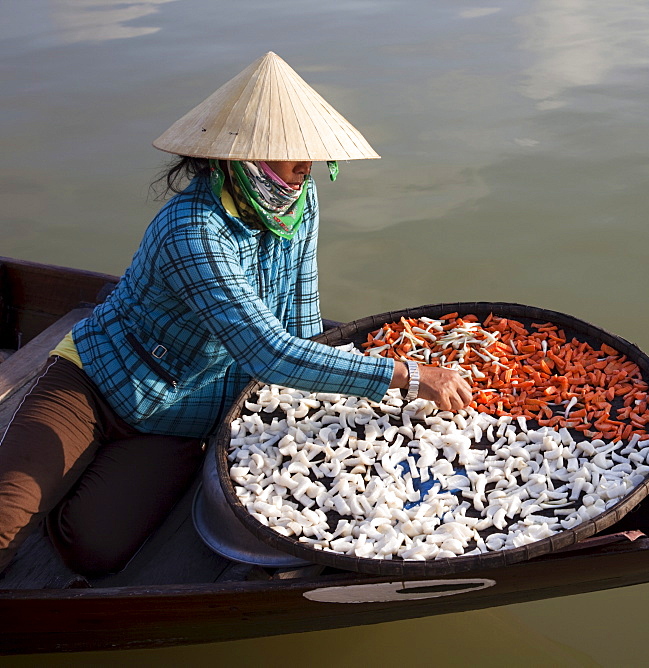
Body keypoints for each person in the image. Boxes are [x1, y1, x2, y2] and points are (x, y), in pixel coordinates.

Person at [0, 52, 472, 577]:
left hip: (179, 416)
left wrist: (327, 405)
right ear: (241, 157)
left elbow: (299, 324)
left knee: (91, 550)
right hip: (94, 382)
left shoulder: (299, 199)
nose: (305, 166)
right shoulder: (194, 230)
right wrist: (405, 375)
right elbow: (268, 352)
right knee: (6, 518)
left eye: (308, 154)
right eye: (290, 152)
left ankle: (67, 480)